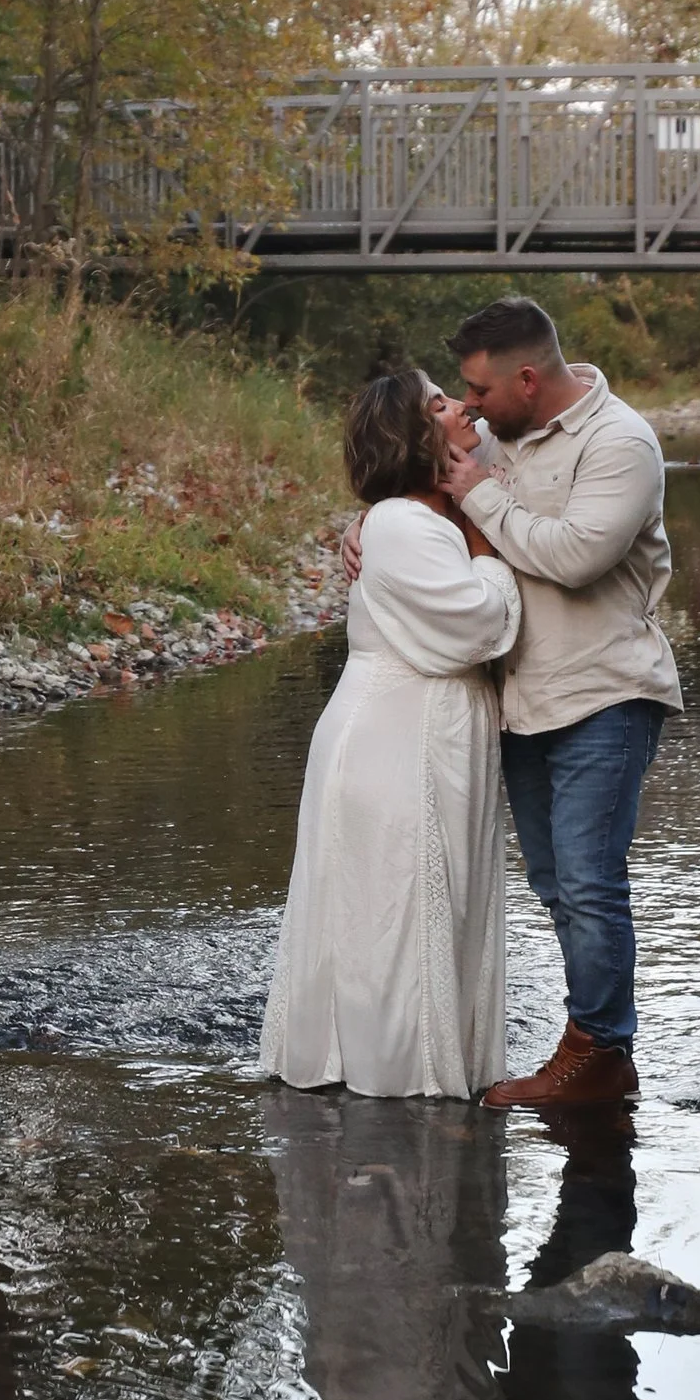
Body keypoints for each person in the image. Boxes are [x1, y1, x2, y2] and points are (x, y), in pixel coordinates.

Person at [434, 296, 680, 1113]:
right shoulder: (503, 437)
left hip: (606, 694)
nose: (470, 406)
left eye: (479, 391)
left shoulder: (622, 444)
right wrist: (367, 528)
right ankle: (597, 1056)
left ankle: (600, 1054)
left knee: (589, 882)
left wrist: (479, 495)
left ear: (529, 379)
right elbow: (459, 521)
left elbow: (573, 558)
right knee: (554, 883)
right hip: (525, 699)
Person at [258, 365, 522, 1096]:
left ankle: (410, 1077)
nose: (464, 409)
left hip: (426, 727)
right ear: (413, 435)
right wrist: (485, 546)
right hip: (395, 737)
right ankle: (393, 1081)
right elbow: (479, 627)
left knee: (422, 905)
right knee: (396, 908)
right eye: (440, 403)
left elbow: (505, 440)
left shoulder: (420, 513)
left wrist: (462, 509)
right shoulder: (407, 525)